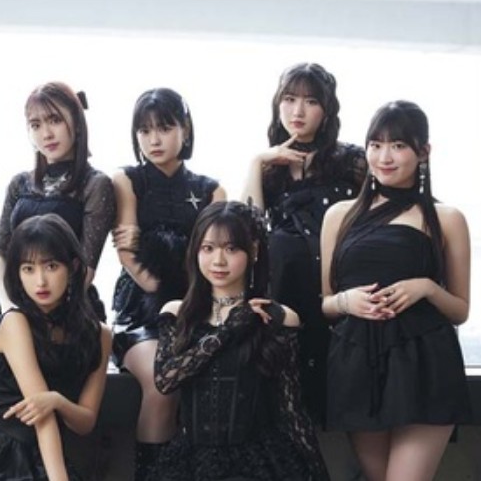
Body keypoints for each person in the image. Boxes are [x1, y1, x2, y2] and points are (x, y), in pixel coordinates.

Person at [320, 100, 471, 481]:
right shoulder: (339, 215)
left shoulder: (447, 218)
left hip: (425, 363)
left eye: (398, 145)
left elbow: (460, 310)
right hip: (357, 363)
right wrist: (346, 301)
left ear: (424, 152)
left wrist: (427, 288)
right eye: (376, 144)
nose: (384, 157)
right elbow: (326, 303)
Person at [151, 201, 329, 481]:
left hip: (259, 461)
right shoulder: (177, 313)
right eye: (208, 248)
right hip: (190, 461)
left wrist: (319, 473)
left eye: (231, 248)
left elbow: (291, 409)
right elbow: (165, 380)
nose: (218, 261)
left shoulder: (279, 317)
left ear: (254, 250)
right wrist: (229, 329)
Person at [110, 87, 226, 478]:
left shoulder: (211, 190)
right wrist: (160, 294)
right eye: (144, 130)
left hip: (197, 308)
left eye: (164, 128)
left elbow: (216, 260)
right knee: (163, 383)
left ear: (185, 130)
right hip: (140, 311)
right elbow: (127, 254)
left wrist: (192, 305)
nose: (154, 139)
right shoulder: (127, 180)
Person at [241, 62, 366, 424]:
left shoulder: (352, 161)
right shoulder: (270, 167)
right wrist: (256, 163)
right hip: (285, 296)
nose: (297, 111)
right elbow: (248, 230)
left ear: (326, 110)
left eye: (311, 101)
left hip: (336, 297)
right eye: (289, 99)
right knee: (282, 409)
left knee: (335, 403)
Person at [0, 214, 112, 481]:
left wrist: (57, 401)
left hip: (46, 454)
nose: (40, 282)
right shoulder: (15, 322)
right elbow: (42, 418)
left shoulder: (101, 335)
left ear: (72, 267)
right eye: (28, 269)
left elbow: (85, 422)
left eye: (51, 266)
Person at [0, 81, 114, 360]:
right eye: (35, 125)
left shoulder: (95, 184)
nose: (46, 133)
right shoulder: (19, 184)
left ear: (77, 122)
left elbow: (86, 266)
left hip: (68, 307)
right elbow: (1, 254)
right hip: (14, 302)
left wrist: (40, 315)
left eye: (55, 120)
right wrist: (10, 308)